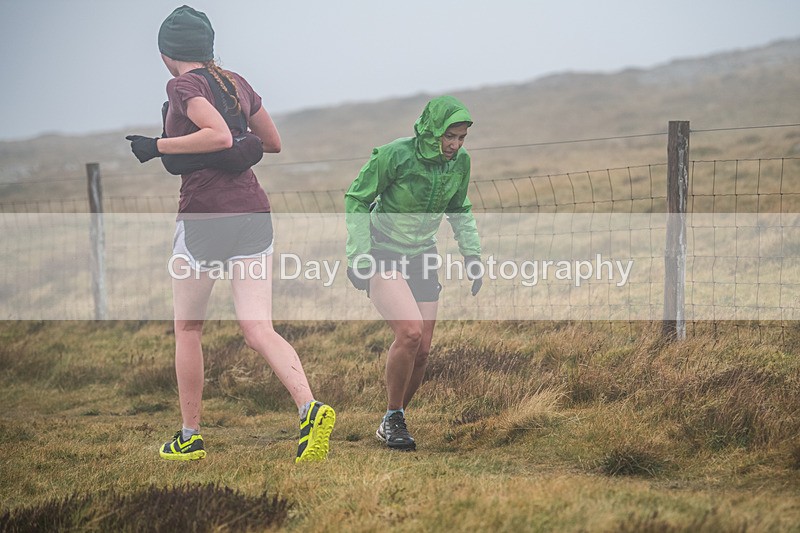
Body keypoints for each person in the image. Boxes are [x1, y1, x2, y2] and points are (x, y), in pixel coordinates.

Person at [125, 5, 334, 463]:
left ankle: (190, 435)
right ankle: (310, 406)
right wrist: (240, 147)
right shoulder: (234, 82)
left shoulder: (182, 84)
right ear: (209, 46)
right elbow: (270, 142)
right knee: (259, 328)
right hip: (253, 213)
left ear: (167, 53)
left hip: (204, 217)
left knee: (188, 328)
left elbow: (218, 136)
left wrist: (155, 147)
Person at [344, 95, 483, 451]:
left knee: (422, 350)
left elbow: (460, 208)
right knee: (409, 332)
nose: (454, 145)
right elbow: (357, 199)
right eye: (449, 136)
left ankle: (394, 417)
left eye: (461, 138)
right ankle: (393, 417)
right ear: (432, 130)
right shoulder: (395, 155)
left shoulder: (459, 162)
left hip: (422, 253)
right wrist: (359, 254)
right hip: (383, 249)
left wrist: (472, 254)